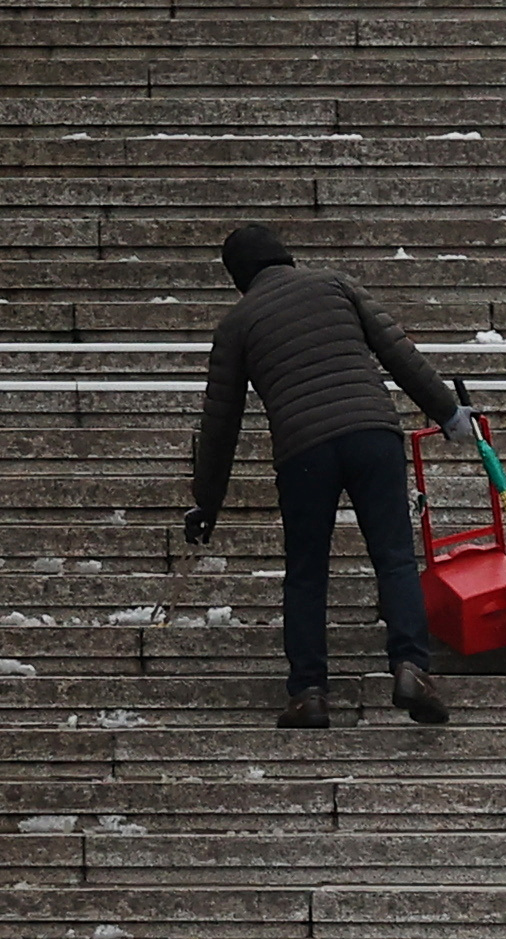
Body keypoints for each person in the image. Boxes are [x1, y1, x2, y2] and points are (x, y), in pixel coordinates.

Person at [182, 223, 468, 730]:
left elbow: (220, 421)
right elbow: (399, 352)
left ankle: (309, 693)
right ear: (286, 255)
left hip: (304, 450)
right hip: (372, 434)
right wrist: (447, 412)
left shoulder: (238, 323)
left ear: (237, 279)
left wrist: (207, 501)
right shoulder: (335, 284)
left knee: (308, 572)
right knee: (396, 559)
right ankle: (411, 668)